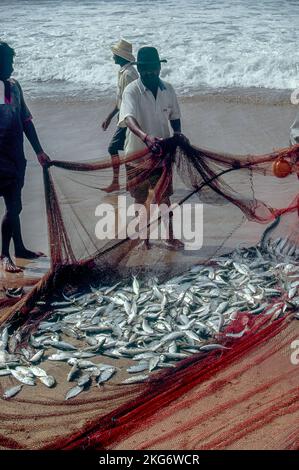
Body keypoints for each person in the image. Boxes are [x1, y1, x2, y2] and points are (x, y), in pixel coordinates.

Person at [118, 46, 187, 250]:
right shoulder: (132, 90)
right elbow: (128, 118)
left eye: (152, 68)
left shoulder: (168, 89)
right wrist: (145, 137)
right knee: (140, 199)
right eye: (145, 69)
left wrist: (178, 135)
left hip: (161, 154)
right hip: (136, 155)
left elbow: (175, 117)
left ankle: (170, 236)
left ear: (159, 67)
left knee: (164, 197)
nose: (149, 72)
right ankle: (144, 238)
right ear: (139, 70)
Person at [0, 41, 50, 273]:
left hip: (16, 157)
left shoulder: (15, 86)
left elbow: (26, 121)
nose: (11, 66)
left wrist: (39, 151)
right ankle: (4, 255)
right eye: (7, 61)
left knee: (15, 205)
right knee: (13, 207)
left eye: (11, 61)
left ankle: (19, 248)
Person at [101, 39, 138, 192]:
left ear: (122, 56)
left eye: (115, 54)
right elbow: (121, 100)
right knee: (132, 151)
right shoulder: (124, 72)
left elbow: (132, 100)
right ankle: (131, 181)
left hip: (128, 120)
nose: (113, 57)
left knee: (113, 148)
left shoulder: (129, 74)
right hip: (125, 119)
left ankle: (120, 182)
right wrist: (109, 117)